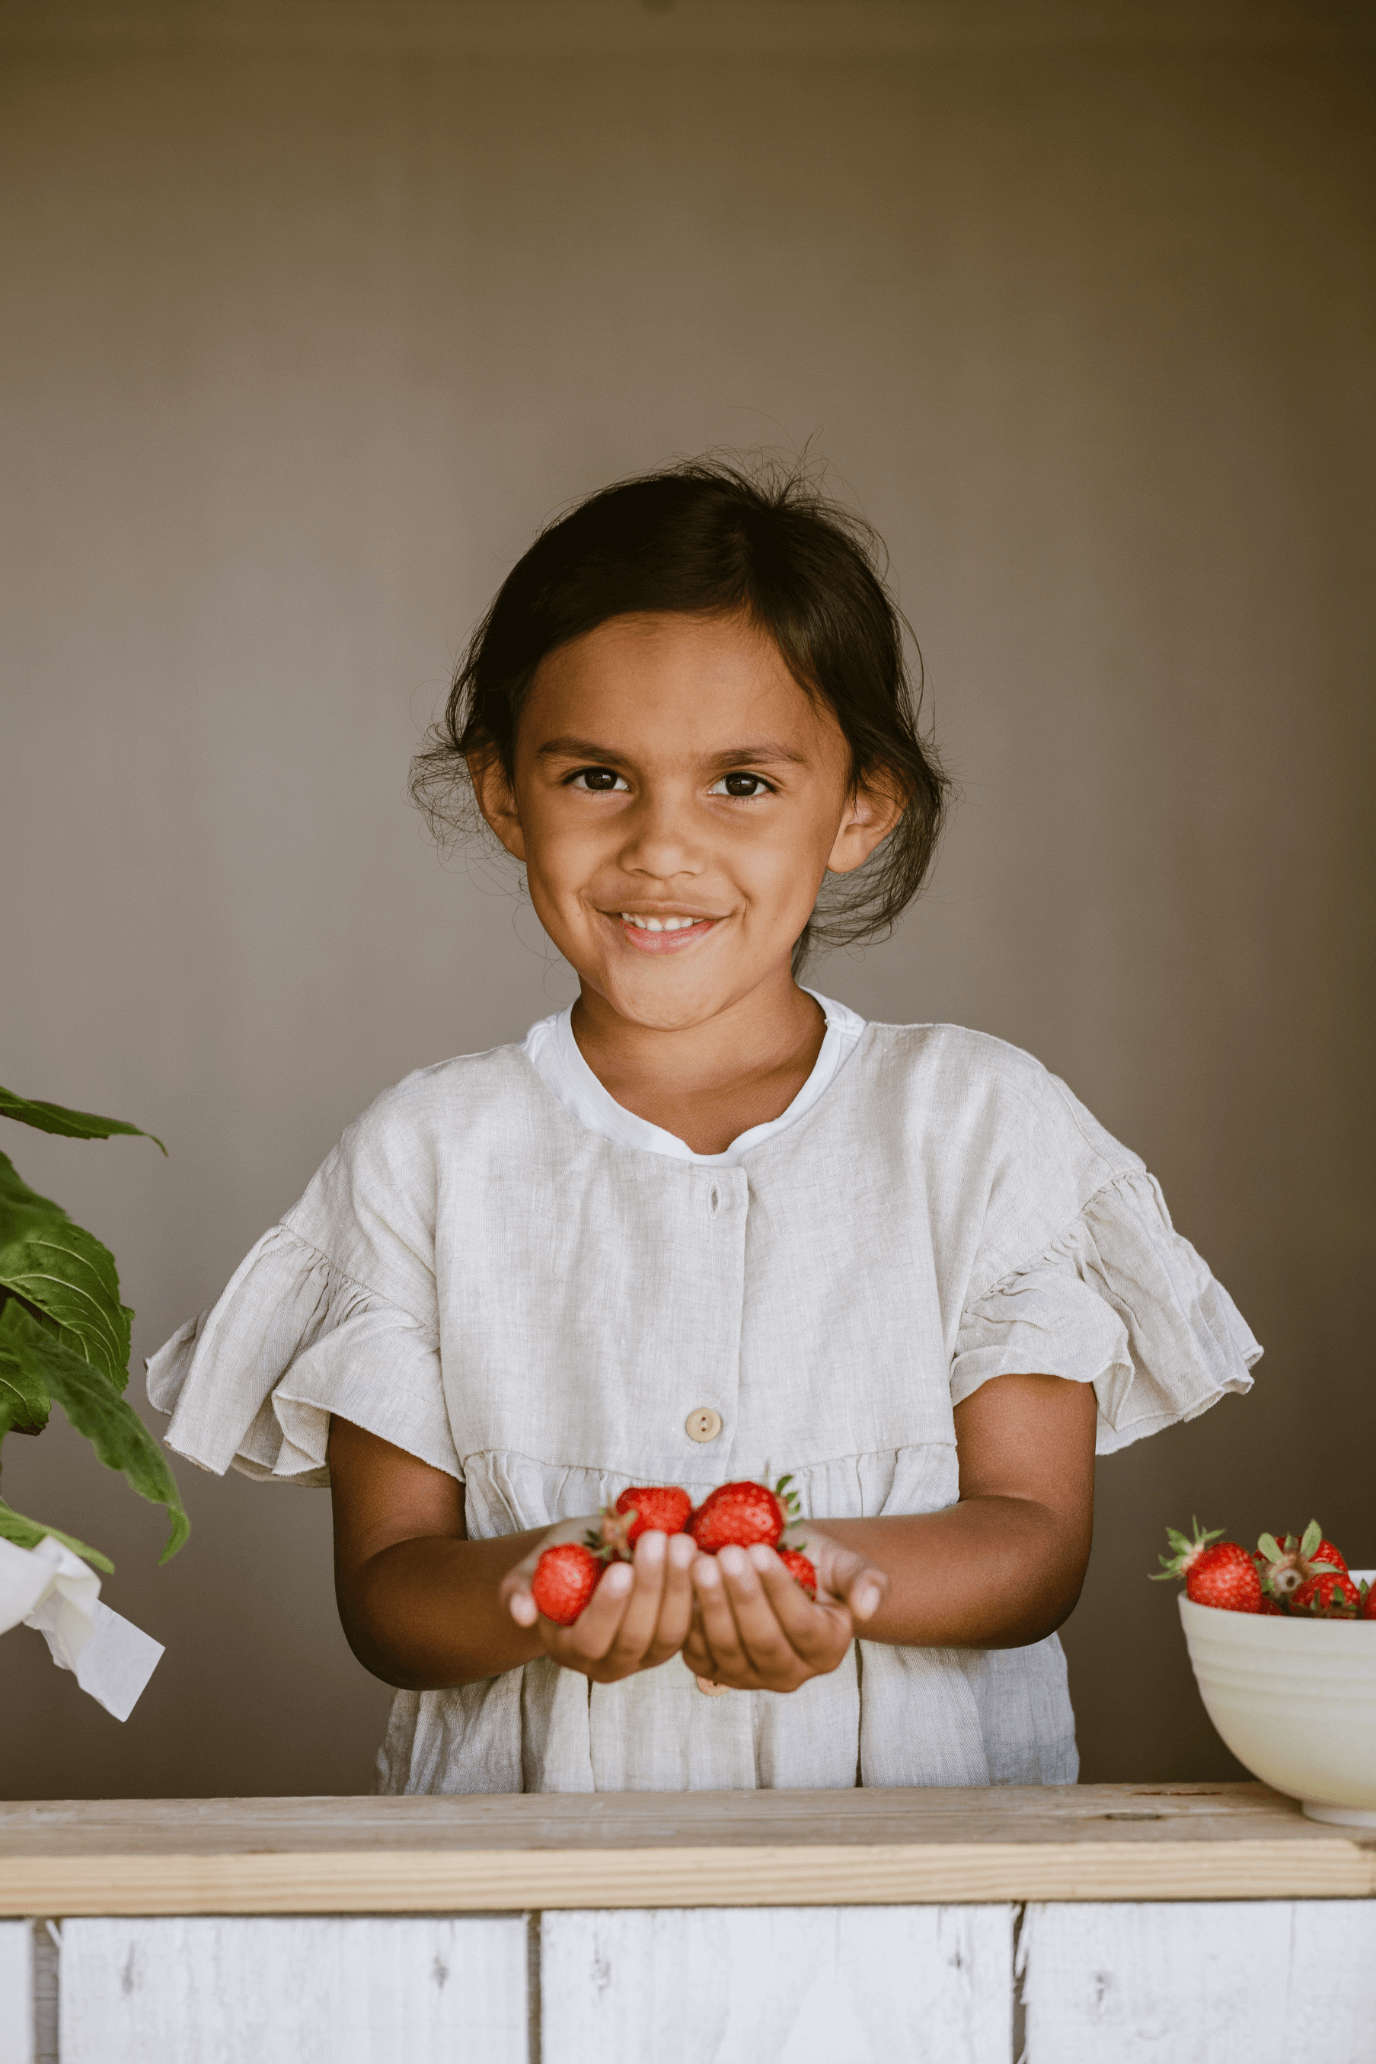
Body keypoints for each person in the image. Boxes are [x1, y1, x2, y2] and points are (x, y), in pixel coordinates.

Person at [147, 459, 1260, 1794]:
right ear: (506, 793)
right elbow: (391, 1596)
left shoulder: (979, 1124)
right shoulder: (426, 1155)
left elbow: (1031, 1546)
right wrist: (551, 1588)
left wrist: (812, 1578)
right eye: (599, 776)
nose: (662, 850)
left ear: (860, 806)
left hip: (922, 1919)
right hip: (528, 1927)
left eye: (741, 784)